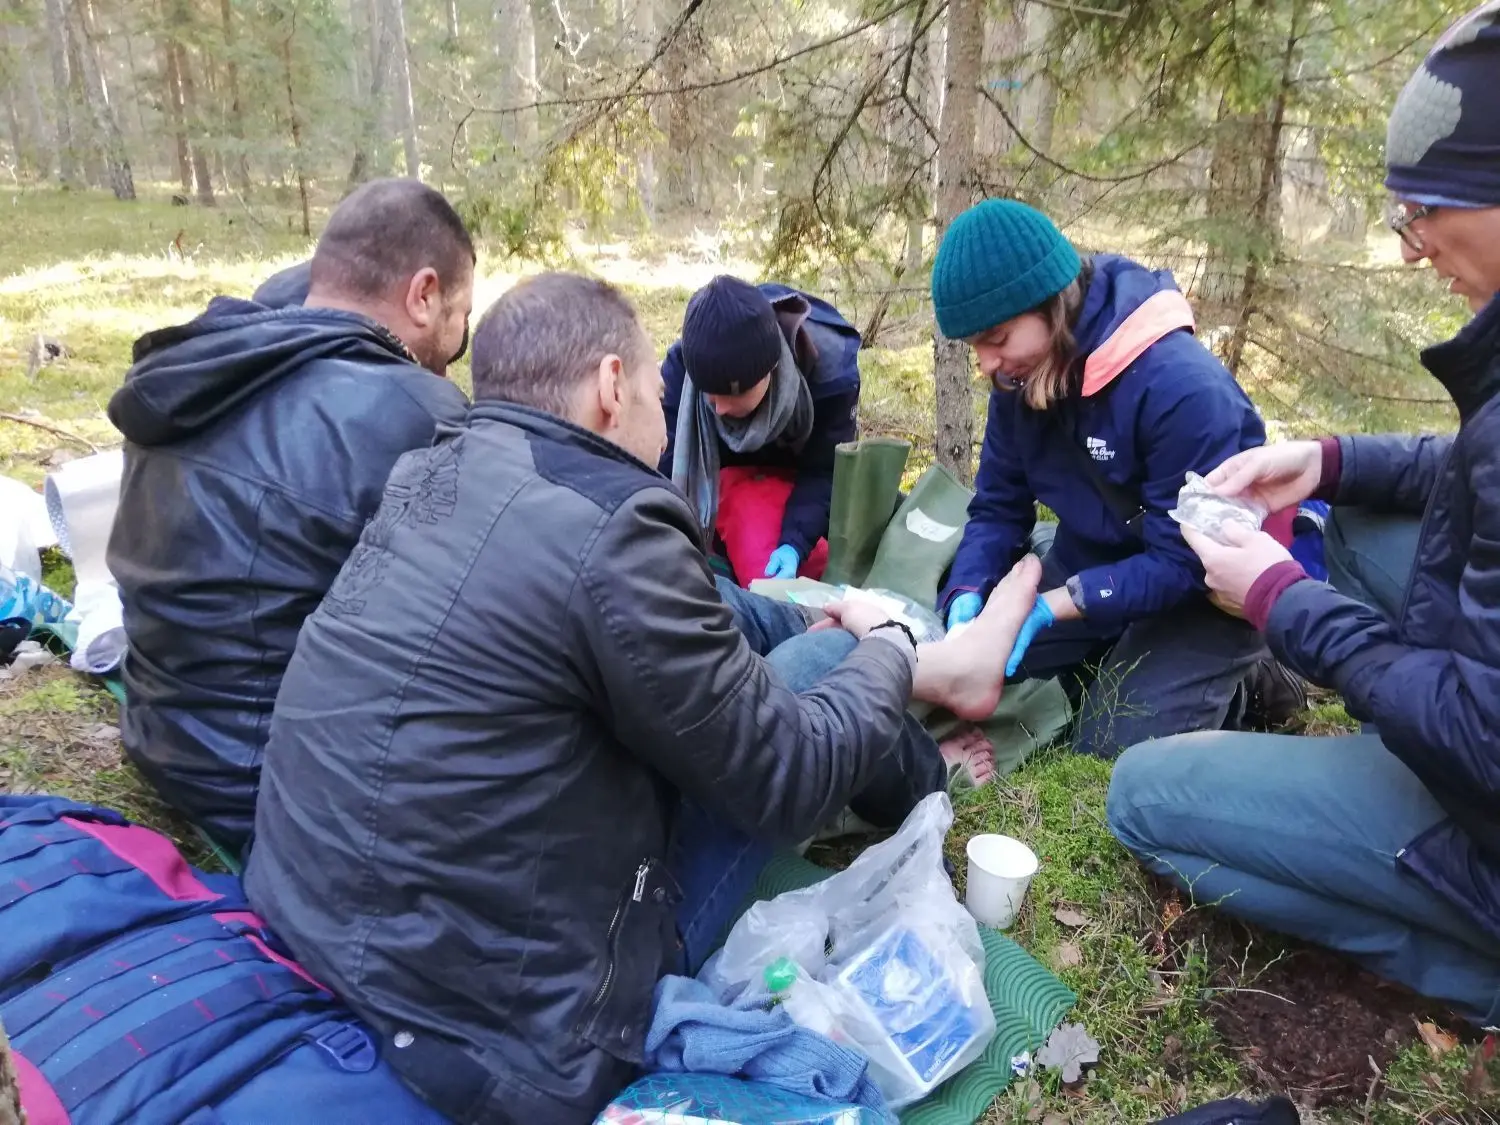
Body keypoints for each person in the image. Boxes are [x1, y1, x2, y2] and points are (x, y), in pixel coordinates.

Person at [245, 272, 1039, 1125]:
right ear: (611, 385)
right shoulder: (613, 526)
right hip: (521, 1033)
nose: (670, 418)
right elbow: (791, 774)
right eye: (662, 395)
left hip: (313, 925)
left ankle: (914, 692)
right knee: (827, 662)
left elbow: (687, 614)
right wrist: (882, 642)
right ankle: (930, 769)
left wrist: (783, 611)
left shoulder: (432, 473)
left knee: (791, 642)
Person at [1108, 0, 1500, 1030]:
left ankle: (1465, 957)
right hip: (1471, 722)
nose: (1414, 249)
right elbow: (1466, 466)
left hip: (1484, 801)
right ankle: (1382, 765)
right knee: (1371, 527)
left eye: (1425, 211)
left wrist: (1282, 599)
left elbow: (1481, 729)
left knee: (1142, 796)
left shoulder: (1170, 383)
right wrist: (1321, 463)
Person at [107, 178, 475, 857]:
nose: (456, 350)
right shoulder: (413, 413)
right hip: (271, 789)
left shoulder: (205, 364)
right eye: (460, 317)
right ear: (424, 294)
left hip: (160, 731)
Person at [932, 199, 1286, 758]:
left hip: (1206, 592)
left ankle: (1256, 678)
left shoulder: (1181, 389)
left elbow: (1183, 564)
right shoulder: (1020, 382)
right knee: (983, 672)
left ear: (1050, 303)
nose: (986, 365)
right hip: (1093, 560)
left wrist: (1056, 604)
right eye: (974, 346)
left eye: (996, 339)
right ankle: (1115, 648)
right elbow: (999, 508)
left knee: (1110, 746)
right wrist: (969, 593)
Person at [661, 275, 860, 583]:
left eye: (734, 394)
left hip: (799, 483)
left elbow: (826, 471)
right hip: (720, 486)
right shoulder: (688, 365)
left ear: (771, 370)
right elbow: (666, 463)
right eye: (709, 395)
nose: (720, 409)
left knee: (779, 569)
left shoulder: (831, 375)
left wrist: (794, 543)